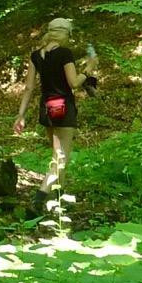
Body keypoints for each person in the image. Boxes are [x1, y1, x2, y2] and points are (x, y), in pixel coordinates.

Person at [13, 17, 86, 189]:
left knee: (57, 155)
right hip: (64, 108)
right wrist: (88, 70)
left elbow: (29, 88)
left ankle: (58, 196)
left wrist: (21, 114)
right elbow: (74, 83)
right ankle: (41, 196)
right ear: (66, 34)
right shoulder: (65, 54)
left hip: (46, 109)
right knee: (61, 159)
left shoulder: (36, 56)